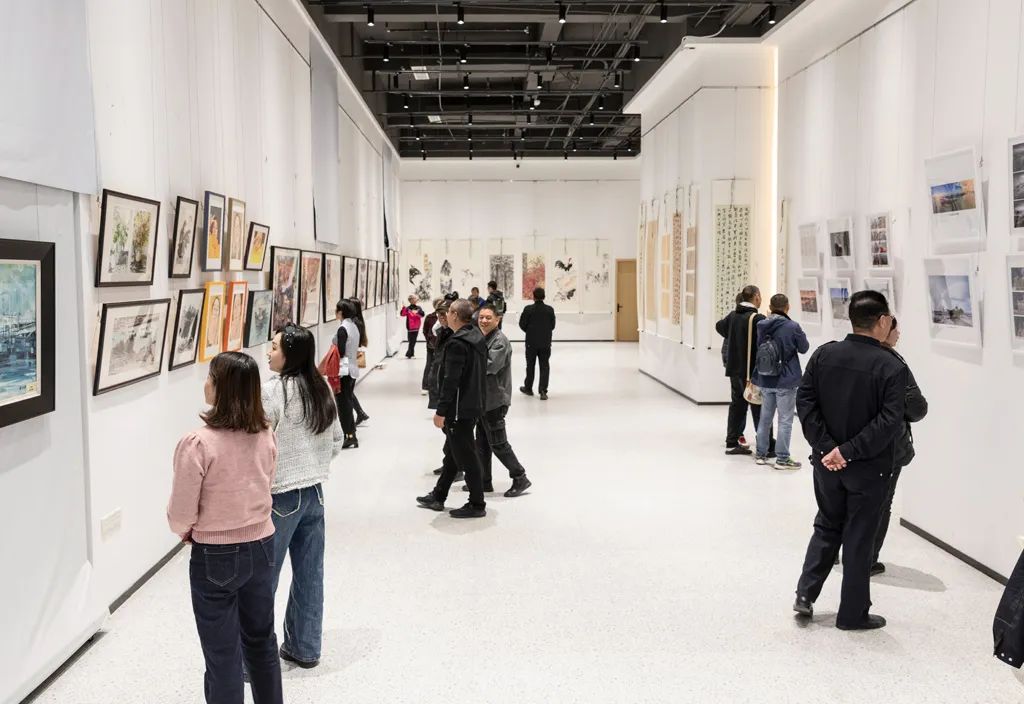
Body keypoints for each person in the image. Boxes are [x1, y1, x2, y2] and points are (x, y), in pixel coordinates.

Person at [167, 351, 283, 704]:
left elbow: (180, 513)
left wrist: (187, 531)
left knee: (223, 655)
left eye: (210, 378)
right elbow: (267, 484)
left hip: (215, 556)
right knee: (261, 642)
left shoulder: (198, 444)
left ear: (222, 388)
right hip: (262, 546)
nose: (205, 384)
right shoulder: (265, 433)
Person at [792, 290, 907, 631]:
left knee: (827, 524)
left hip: (826, 465)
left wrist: (827, 447)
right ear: (882, 321)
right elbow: (889, 421)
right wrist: (848, 451)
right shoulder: (891, 366)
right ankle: (852, 614)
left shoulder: (824, 355)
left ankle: (805, 593)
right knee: (859, 536)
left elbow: (805, 402)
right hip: (868, 468)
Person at [263, 325, 343, 667]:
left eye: (274, 347)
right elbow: (337, 439)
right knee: (310, 574)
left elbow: (258, 447)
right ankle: (305, 647)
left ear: (290, 354)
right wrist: (313, 463)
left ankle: (255, 660)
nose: (268, 352)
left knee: (262, 580)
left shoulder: (272, 392)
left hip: (280, 496)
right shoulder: (320, 386)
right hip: (315, 494)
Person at [416, 299, 489, 518]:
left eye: (448, 312)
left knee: (467, 456)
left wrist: (441, 411)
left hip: (459, 409)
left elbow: (451, 381)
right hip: (472, 405)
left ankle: (477, 503)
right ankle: (439, 495)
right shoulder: (476, 336)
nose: (446, 315)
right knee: (453, 454)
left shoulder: (458, 343)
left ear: (455, 315)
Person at [871, 317, 928, 575]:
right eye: (895, 328)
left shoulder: (843, 355)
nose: (899, 333)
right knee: (882, 503)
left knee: (848, 498)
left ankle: (838, 550)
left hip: (849, 445)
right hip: (887, 446)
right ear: (882, 327)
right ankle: (868, 559)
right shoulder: (895, 363)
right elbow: (916, 407)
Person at [467, 304, 532, 498]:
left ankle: (520, 477)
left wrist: (465, 363)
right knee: (482, 443)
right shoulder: (483, 338)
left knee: (498, 443)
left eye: (488, 317)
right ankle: (484, 481)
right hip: (483, 399)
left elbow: (490, 366)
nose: (484, 320)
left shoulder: (499, 341)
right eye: (481, 317)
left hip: (495, 400)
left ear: (498, 319)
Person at [752, 294, 809, 469]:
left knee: (765, 419)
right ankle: (782, 459)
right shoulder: (792, 326)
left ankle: (761, 455)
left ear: (770, 307)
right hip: (786, 379)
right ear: (787, 307)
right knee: (785, 420)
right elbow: (804, 348)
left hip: (765, 378)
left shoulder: (761, 325)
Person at [716, 285, 772, 456]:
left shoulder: (733, 315)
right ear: (756, 297)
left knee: (737, 404)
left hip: (734, 369)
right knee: (759, 406)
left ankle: (732, 441)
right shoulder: (757, 318)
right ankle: (766, 444)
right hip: (752, 371)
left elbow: (719, 327)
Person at [518, 286, 556, 400]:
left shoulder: (528, 309)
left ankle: (528, 388)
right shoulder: (549, 310)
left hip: (531, 342)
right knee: (544, 366)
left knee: (530, 365)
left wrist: (530, 331)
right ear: (544, 297)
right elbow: (552, 325)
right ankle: (543, 390)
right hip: (545, 342)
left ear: (533, 297)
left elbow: (522, 324)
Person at [335, 300, 362, 449]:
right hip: (352, 368)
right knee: (348, 401)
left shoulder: (343, 328)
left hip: (344, 370)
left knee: (344, 405)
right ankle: (351, 433)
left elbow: (340, 351)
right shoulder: (354, 326)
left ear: (341, 312)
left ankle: (350, 435)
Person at [347, 297, 370, 426]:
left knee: (347, 391)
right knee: (349, 390)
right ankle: (360, 413)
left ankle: (359, 414)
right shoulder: (357, 321)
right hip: (353, 358)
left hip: (350, 359)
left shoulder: (354, 323)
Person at [421, 298, 442, 396]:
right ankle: (425, 386)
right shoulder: (430, 317)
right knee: (429, 364)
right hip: (431, 345)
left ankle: (437, 386)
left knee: (439, 366)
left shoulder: (446, 317)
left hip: (442, 345)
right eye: (438, 304)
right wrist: (429, 339)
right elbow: (425, 330)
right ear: (435, 306)